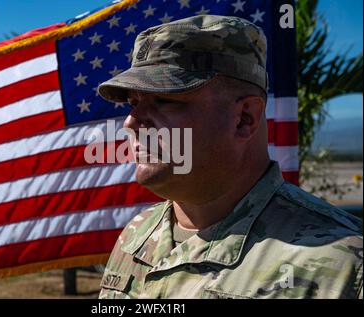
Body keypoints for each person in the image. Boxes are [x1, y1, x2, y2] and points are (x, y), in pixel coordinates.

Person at [96, 15, 362, 299]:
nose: (131, 122)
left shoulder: (345, 265)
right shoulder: (135, 237)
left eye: (164, 100)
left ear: (244, 118)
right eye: (134, 102)